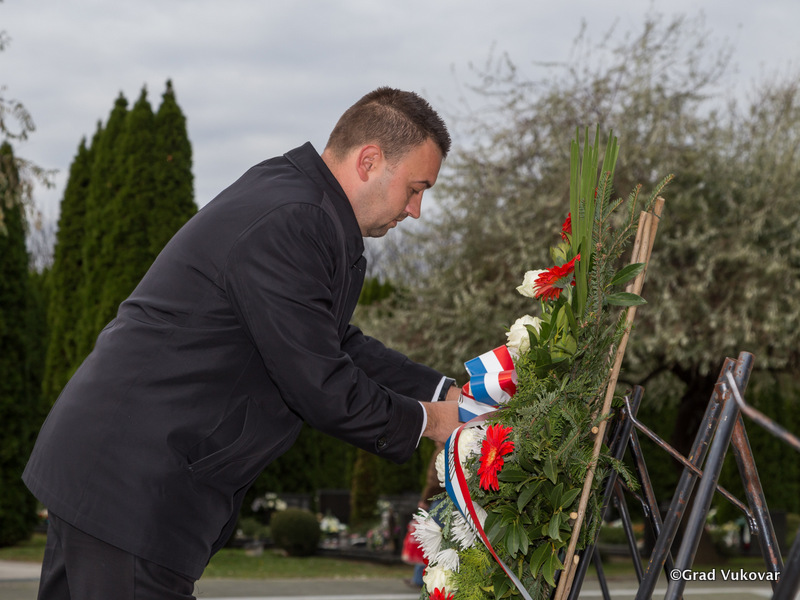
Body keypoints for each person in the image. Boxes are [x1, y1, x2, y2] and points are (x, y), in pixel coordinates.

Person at [23, 87, 462, 599]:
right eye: (415, 188)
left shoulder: (300, 203)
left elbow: (334, 341)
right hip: (132, 484)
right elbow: (321, 384)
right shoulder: (294, 219)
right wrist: (433, 422)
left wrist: (444, 392)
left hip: (112, 478)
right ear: (369, 161)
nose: (416, 209)